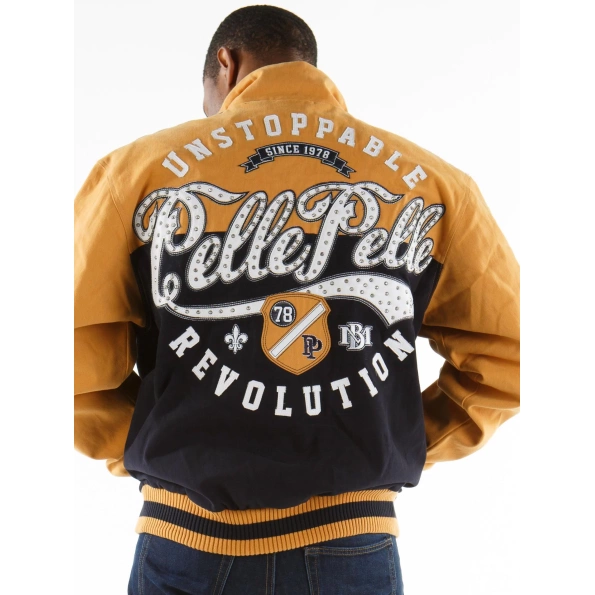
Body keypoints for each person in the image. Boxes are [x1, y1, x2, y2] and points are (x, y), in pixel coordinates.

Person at [74, 5, 520, 594]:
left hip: (186, 540)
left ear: (226, 66)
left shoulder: (135, 174)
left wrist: (161, 454)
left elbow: (66, 363)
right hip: (352, 542)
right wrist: (388, 446)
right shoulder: (435, 184)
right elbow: (512, 358)